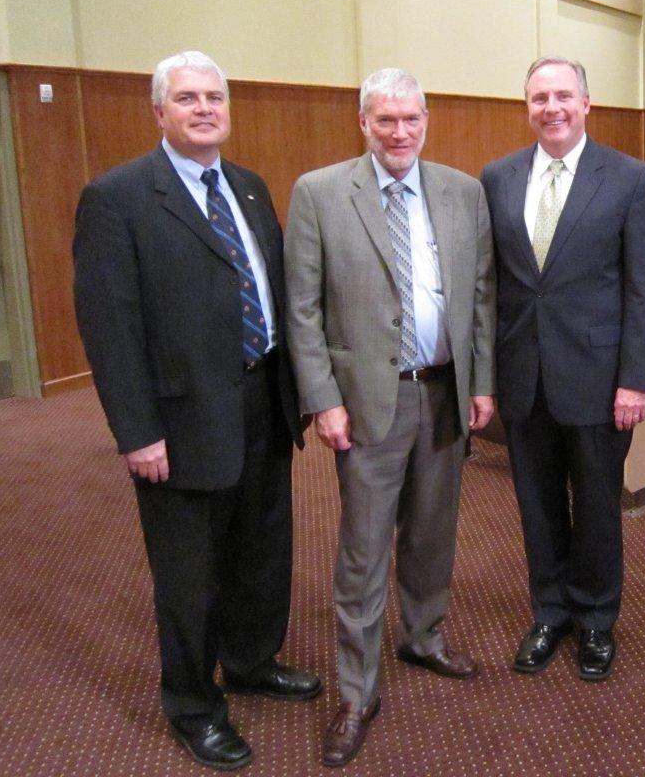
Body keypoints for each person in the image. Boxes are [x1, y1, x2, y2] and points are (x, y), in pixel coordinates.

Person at [72, 51, 319, 771]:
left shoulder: (246, 186)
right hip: (179, 423)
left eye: (214, 96)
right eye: (187, 98)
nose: (204, 108)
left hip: (261, 400)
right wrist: (137, 430)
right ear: (160, 112)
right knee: (189, 575)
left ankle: (251, 661)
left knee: (262, 549)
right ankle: (192, 703)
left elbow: (269, 288)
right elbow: (109, 327)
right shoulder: (117, 198)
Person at [284, 68, 496, 767]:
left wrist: (481, 382)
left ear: (426, 120)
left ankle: (424, 636)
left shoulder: (463, 192)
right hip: (370, 401)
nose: (400, 132)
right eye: (386, 121)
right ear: (363, 124)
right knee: (363, 549)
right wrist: (324, 399)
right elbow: (303, 311)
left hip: (444, 392)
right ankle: (356, 688)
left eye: (411, 120)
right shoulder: (320, 193)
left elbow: (482, 298)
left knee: (433, 532)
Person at [480, 56, 645, 682]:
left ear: (587, 103)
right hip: (524, 374)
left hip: (599, 376)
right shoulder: (498, 177)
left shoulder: (627, 177)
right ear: (526, 105)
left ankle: (594, 619)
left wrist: (637, 379)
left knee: (595, 506)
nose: (552, 108)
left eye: (564, 96)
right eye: (539, 97)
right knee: (535, 504)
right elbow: (496, 286)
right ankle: (549, 612)